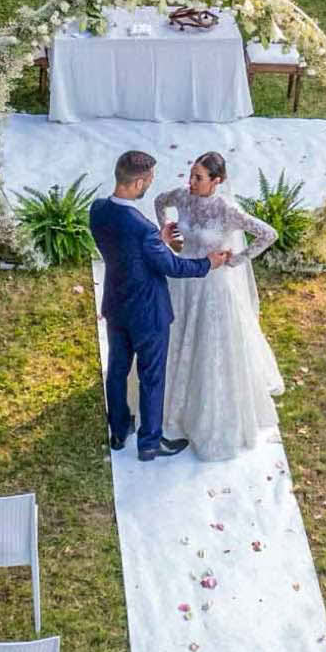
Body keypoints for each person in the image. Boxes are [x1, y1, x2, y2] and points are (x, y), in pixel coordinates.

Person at [91, 149, 228, 461]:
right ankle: (150, 443)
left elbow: (125, 252)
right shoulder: (143, 228)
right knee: (151, 376)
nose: (151, 184)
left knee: (117, 368)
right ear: (139, 183)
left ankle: (117, 430)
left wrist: (158, 242)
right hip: (148, 313)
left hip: (116, 303)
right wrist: (208, 263)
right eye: (150, 179)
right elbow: (175, 268)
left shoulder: (98, 210)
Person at [155, 153, 286, 461]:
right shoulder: (182, 196)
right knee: (172, 338)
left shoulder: (226, 210)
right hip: (182, 279)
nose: (191, 182)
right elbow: (159, 201)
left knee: (210, 349)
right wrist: (168, 233)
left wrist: (235, 261)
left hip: (212, 288)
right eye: (191, 175)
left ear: (217, 181)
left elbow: (268, 234)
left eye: (199, 178)